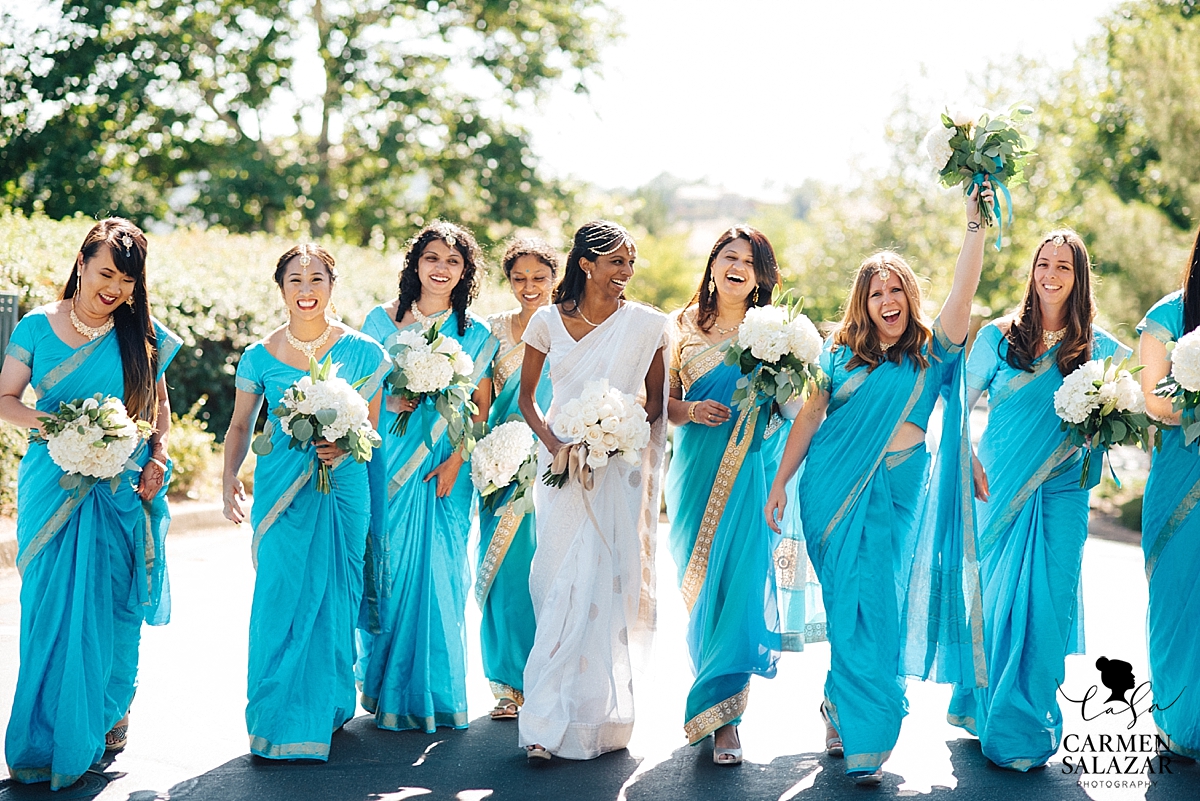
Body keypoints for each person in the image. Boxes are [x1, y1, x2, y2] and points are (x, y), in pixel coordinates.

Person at [765, 185, 992, 784]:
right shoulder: (837, 355)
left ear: (908, 296)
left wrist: (976, 227)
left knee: (881, 605)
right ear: (861, 304)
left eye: (896, 290)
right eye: (875, 293)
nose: (887, 300)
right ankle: (865, 737)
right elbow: (810, 417)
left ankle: (842, 705)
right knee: (850, 607)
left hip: (901, 489)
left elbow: (963, 293)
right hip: (832, 492)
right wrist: (781, 482)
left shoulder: (931, 351)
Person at [0, 218, 180, 789]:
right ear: (82, 263)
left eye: (127, 280)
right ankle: (44, 739)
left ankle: (105, 720)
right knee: (50, 614)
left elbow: (159, 413)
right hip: (51, 487)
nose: (115, 289)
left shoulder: (141, 335)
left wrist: (156, 459)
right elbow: (5, 399)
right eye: (106, 273)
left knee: (113, 609)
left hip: (118, 492)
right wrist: (63, 426)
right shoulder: (37, 326)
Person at [947, 229, 1131, 770]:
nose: (1050, 275)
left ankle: (1026, 719)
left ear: (1080, 280)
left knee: (1048, 599)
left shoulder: (1098, 348)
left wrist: (1114, 417)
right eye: (1043, 264)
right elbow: (958, 398)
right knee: (997, 597)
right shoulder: (998, 338)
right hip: (997, 485)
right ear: (1032, 271)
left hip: (1064, 493)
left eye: (1063, 267)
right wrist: (967, 458)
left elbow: (1141, 394)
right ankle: (990, 710)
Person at [222, 243, 388, 760]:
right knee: (281, 592)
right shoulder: (258, 356)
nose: (306, 289)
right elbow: (241, 425)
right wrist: (228, 475)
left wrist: (344, 443)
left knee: (336, 591)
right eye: (295, 279)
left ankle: (330, 701)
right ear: (281, 289)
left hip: (345, 484)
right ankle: (275, 714)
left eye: (317, 278)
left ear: (332, 287)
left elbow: (374, 431)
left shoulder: (365, 352)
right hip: (282, 490)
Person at [517, 220, 668, 761]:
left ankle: (590, 719)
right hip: (559, 466)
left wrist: (613, 433)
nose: (626, 272)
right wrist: (559, 443)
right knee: (554, 581)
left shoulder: (648, 325)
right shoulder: (546, 321)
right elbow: (527, 400)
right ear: (586, 264)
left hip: (616, 469)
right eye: (616, 262)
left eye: (631, 263)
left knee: (602, 584)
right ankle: (542, 715)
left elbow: (654, 401)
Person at [357, 221, 497, 732]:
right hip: (389, 457)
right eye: (433, 258)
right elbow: (361, 390)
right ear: (415, 264)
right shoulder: (380, 320)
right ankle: (386, 689)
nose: (442, 269)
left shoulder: (475, 333)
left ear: (465, 273)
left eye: (453, 262)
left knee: (440, 574)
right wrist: (394, 397)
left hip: (445, 463)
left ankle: (434, 694)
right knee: (388, 569)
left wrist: (458, 460)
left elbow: (480, 408)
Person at [664, 225, 784, 765]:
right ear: (713, 264)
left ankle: (724, 721)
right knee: (700, 592)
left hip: (750, 472)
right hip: (693, 473)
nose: (738, 266)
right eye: (729, 256)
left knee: (738, 586)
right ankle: (712, 702)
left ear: (761, 278)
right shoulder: (677, 328)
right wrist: (690, 410)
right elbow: (659, 403)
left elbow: (792, 405)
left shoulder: (774, 333)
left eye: (750, 262)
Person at [476, 238, 557, 721]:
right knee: (504, 576)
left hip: (553, 466)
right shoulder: (492, 332)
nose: (529, 287)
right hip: (501, 469)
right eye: (519, 278)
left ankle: (546, 677)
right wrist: (485, 456)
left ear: (555, 277)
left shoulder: (568, 328)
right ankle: (507, 686)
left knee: (547, 574)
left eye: (539, 277)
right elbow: (483, 405)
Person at [1137, 231, 1200, 760]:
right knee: (1176, 598)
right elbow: (1155, 402)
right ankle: (1178, 720)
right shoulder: (1168, 316)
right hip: (1180, 481)